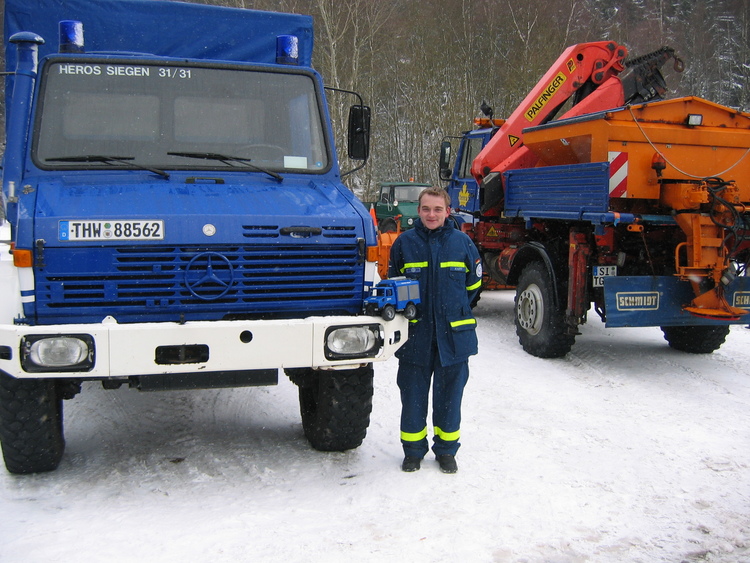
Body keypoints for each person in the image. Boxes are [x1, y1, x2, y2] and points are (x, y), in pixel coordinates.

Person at [387, 187, 481, 473]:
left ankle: (446, 451)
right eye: (426, 209)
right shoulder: (404, 243)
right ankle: (413, 452)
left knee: (450, 398)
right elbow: (394, 284)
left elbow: (473, 286)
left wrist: (453, 312)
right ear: (419, 210)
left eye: (438, 209)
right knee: (413, 397)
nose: (431, 214)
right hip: (416, 337)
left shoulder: (463, 243)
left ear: (447, 212)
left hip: (453, 338)